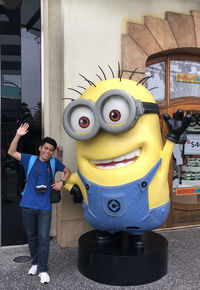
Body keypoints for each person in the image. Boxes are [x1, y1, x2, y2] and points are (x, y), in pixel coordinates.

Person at [8, 123, 71, 284]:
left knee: (43, 238)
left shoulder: (54, 163)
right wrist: (18, 135)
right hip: (27, 205)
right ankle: (35, 263)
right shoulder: (30, 159)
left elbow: (68, 171)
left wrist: (62, 183)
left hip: (44, 207)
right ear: (40, 148)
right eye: (45, 148)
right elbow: (11, 152)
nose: (47, 152)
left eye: (51, 150)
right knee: (32, 237)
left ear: (53, 152)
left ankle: (43, 269)